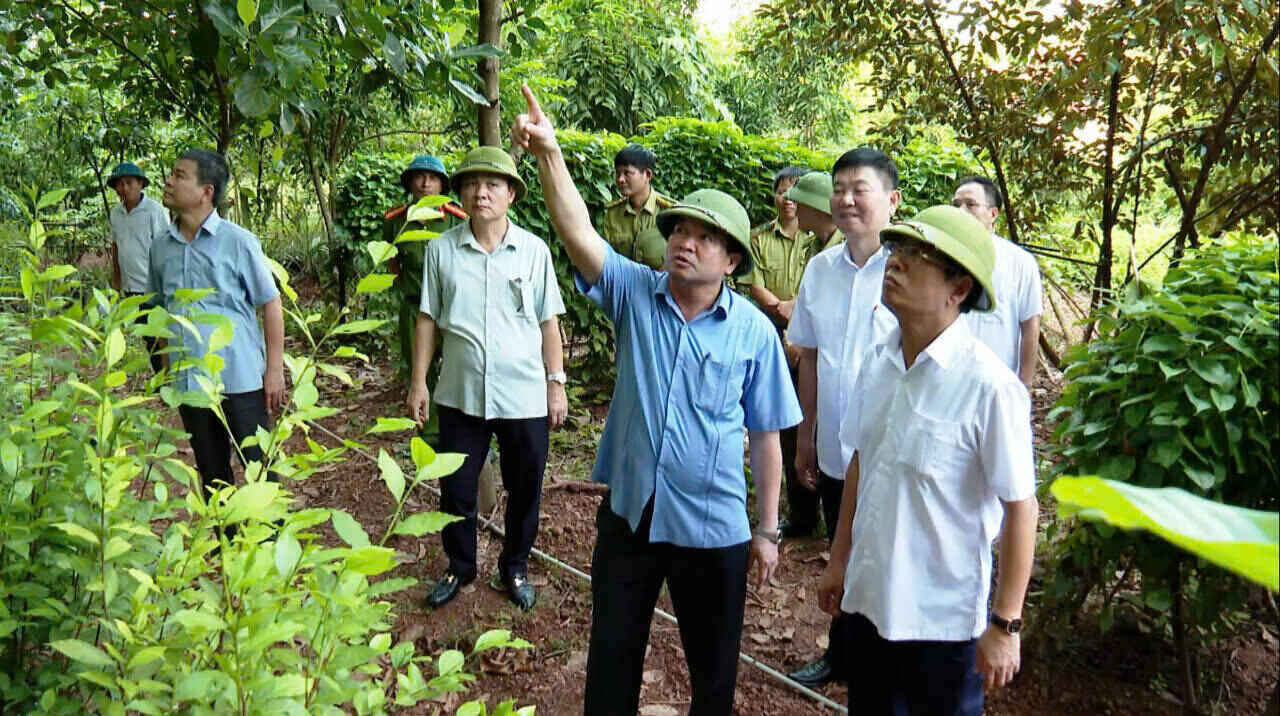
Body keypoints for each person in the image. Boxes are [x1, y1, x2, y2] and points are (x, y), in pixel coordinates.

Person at [513, 85, 802, 715]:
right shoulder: (636, 295)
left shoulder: (755, 332)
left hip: (714, 526)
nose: (684, 242)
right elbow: (578, 231)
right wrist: (550, 155)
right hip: (631, 516)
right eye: (680, 230)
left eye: (704, 237)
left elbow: (767, 436)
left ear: (731, 259)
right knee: (612, 659)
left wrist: (768, 530)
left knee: (713, 673)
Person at [818, 205, 1039, 714]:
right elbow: (860, 463)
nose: (894, 264)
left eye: (916, 256)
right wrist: (838, 559)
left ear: (957, 289)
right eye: (896, 251)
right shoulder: (880, 362)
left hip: (942, 625)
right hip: (870, 604)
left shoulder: (990, 387)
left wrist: (1005, 623)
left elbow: (1020, 507)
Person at [406, 146, 567, 612]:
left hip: (523, 394)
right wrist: (419, 382)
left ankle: (514, 566)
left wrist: (555, 383)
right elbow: (427, 320)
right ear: (460, 194)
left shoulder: (534, 252)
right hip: (460, 391)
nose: (482, 193)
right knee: (455, 487)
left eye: (493, 184)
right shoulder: (442, 250)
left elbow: (548, 323)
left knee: (525, 486)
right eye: (473, 184)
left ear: (511, 194)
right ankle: (460, 566)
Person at [785, 153, 901, 689]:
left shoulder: (909, 272)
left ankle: (888, 662)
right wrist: (805, 437)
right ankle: (842, 655)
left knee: (890, 557)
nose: (846, 199)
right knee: (842, 549)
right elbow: (809, 356)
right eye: (839, 189)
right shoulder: (820, 270)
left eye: (860, 189)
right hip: (835, 447)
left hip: (894, 453)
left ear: (893, 201)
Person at [149, 149, 284, 493]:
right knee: (212, 475)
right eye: (171, 173)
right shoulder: (161, 247)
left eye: (179, 175)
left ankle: (268, 544)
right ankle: (226, 546)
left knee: (260, 471)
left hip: (240, 379)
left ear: (206, 191)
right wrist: (166, 372)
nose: (168, 181)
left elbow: (270, 302)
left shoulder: (238, 242)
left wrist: (274, 369)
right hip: (191, 382)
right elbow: (160, 310)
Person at [739, 166, 819, 540]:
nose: (787, 199)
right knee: (784, 423)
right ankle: (800, 514)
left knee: (818, 420)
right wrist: (783, 312)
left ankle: (829, 505)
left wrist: (798, 314)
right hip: (771, 334)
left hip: (812, 335)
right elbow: (753, 283)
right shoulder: (758, 238)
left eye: (794, 192)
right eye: (781, 191)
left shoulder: (819, 239)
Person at [952, 176, 1043, 389]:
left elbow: (1030, 326)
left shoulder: (1019, 262)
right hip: (948, 382)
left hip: (998, 384)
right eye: (956, 205)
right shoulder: (940, 258)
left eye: (971, 205)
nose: (961, 211)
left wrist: (1025, 385)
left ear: (993, 214)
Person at [384, 154, 466, 376]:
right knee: (419, 375)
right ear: (410, 182)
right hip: (414, 307)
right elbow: (392, 260)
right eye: (419, 176)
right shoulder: (396, 220)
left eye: (433, 178)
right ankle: (426, 412)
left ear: (442, 184)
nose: (425, 184)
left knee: (457, 373)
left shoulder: (457, 219)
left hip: (452, 309)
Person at [107, 161, 168, 373]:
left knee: (159, 333)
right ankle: (161, 378)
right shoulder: (116, 214)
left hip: (152, 285)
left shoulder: (155, 211)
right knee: (146, 334)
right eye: (119, 184)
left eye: (129, 183)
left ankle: (167, 378)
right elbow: (116, 246)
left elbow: (164, 246)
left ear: (140, 184)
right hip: (131, 284)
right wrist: (117, 279)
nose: (124, 188)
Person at [598, 143, 676, 269]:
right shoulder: (613, 214)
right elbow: (608, 260)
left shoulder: (669, 213)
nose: (620, 179)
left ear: (648, 175)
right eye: (618, 173)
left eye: (627, 173)